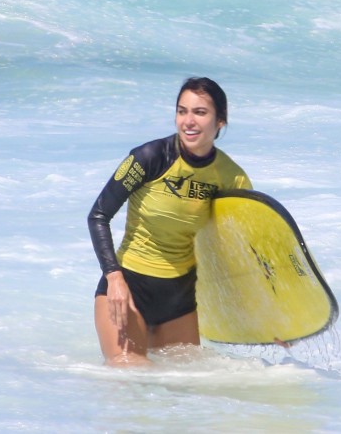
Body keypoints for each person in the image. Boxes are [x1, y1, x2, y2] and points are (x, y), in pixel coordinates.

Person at [88, 77, 252, 366]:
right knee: (130, 372)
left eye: (200, 112)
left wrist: (272, 322)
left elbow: (246, 250)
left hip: (179, 298)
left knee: (184, 383)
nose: (188, 121)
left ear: (220, 122)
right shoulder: (149, 157)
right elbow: (98, 215)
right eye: (182, 111)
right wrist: (114, 278)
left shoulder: (231, 177)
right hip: (129, 288)